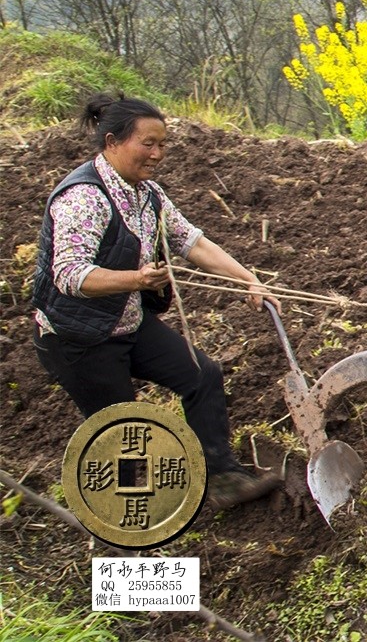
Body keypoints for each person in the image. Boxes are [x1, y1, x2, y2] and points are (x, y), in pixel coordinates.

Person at [30, 94, 282, 510]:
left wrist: (248, 280)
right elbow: (71, 275)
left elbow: (191, 242)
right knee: (124, 433)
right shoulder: (83, 198)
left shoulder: (147, 195)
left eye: (162, 144)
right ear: (112, 142)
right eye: (147, 144)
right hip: (78, 338)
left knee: (202, 375)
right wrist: (136, 279)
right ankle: (127, 520)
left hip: (126, 321)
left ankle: (222, 478)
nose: (157, 154)